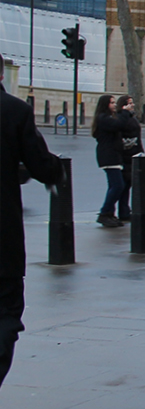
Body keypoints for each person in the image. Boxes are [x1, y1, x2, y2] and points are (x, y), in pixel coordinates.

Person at [0, 53, 63, 387]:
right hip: (3, 238)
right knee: (6, 313)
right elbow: (42, 165)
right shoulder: (15, 111)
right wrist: (55, 170)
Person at [92, 94, 131, 227]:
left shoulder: (108, 118)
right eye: (111, 103)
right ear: (105, 105)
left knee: (114, 186)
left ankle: (109, 213)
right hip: (108, 156)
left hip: (113, 155)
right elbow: (119, 124)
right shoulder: (103, 118)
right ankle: (104, 213)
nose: (114, 105)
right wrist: (125, 112)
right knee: (118, 185)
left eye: (114, 102)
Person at [115, 95, 143, 222]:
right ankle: (121, 211)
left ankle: (124, 210)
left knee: (127, 185)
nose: (132, 105)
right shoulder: (121, 118)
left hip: (134, 152)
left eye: (132, 102)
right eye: (129, 103)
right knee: (123, 185)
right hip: (126, 154)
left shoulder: (131, 117)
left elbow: (138, 136)